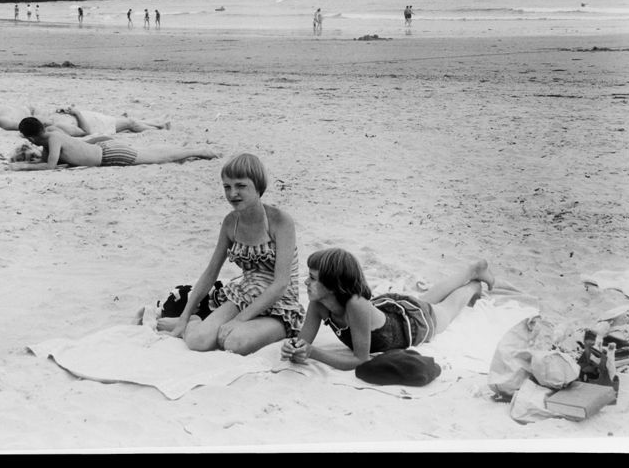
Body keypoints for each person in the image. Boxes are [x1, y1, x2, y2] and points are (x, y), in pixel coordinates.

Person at [155, 154, 303, 355]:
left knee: (234, 342)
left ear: (258, 185)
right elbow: (211, 272)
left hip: (280, 304)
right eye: (227, 187)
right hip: (245, 295)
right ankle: (194, 321)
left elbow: (281, 284)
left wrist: (239, 320)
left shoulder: (280, 221)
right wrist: (184, 317)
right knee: (198, 341)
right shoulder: (230, 223)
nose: (233, 193)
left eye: (241, 186)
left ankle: (243, 327)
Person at [280, 248, 495, 370]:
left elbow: (360, 360)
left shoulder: (356, 305)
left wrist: (313, 353)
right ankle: (471, 270)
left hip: (410, 325)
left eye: (313, 278)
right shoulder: (318, 303)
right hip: (391, 309)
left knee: (445, 311)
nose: (306, 282)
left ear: (334, 286)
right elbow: (303, 342)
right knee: (425, 301)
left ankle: (473, 285)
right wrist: (293, 348)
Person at [8, 117, 218, 170]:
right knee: (152, 152)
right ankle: (188, 149)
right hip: (103, 149)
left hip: (109, 156)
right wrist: (30, 162)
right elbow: (48, 161)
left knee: (159, 157)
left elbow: (51, 166)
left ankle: (199, 151)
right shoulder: (52, 133)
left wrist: (22, 166)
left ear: (31, 138)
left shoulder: (53, 139)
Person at [0, 105, 167, 135]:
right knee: (128, 123)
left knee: (124, 121)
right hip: (87, 122)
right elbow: (86, 133)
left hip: (78, 117)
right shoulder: (2, 122)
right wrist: (75, 113)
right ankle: (157, 126)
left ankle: (156, 123)